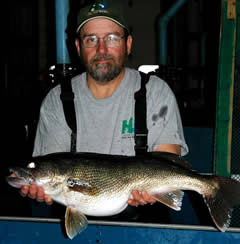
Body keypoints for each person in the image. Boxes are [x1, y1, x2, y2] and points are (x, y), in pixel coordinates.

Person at [19, 1, 188, 209]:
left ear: (128, 44)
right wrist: (40, 187)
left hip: (145, 221)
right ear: (78, 47)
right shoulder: (57, 100)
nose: (102, 49)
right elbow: (52, 170)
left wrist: (158, 192)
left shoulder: (155, 92)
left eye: (112, 38)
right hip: (77, 213)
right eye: (91, 39)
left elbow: (169, 163)